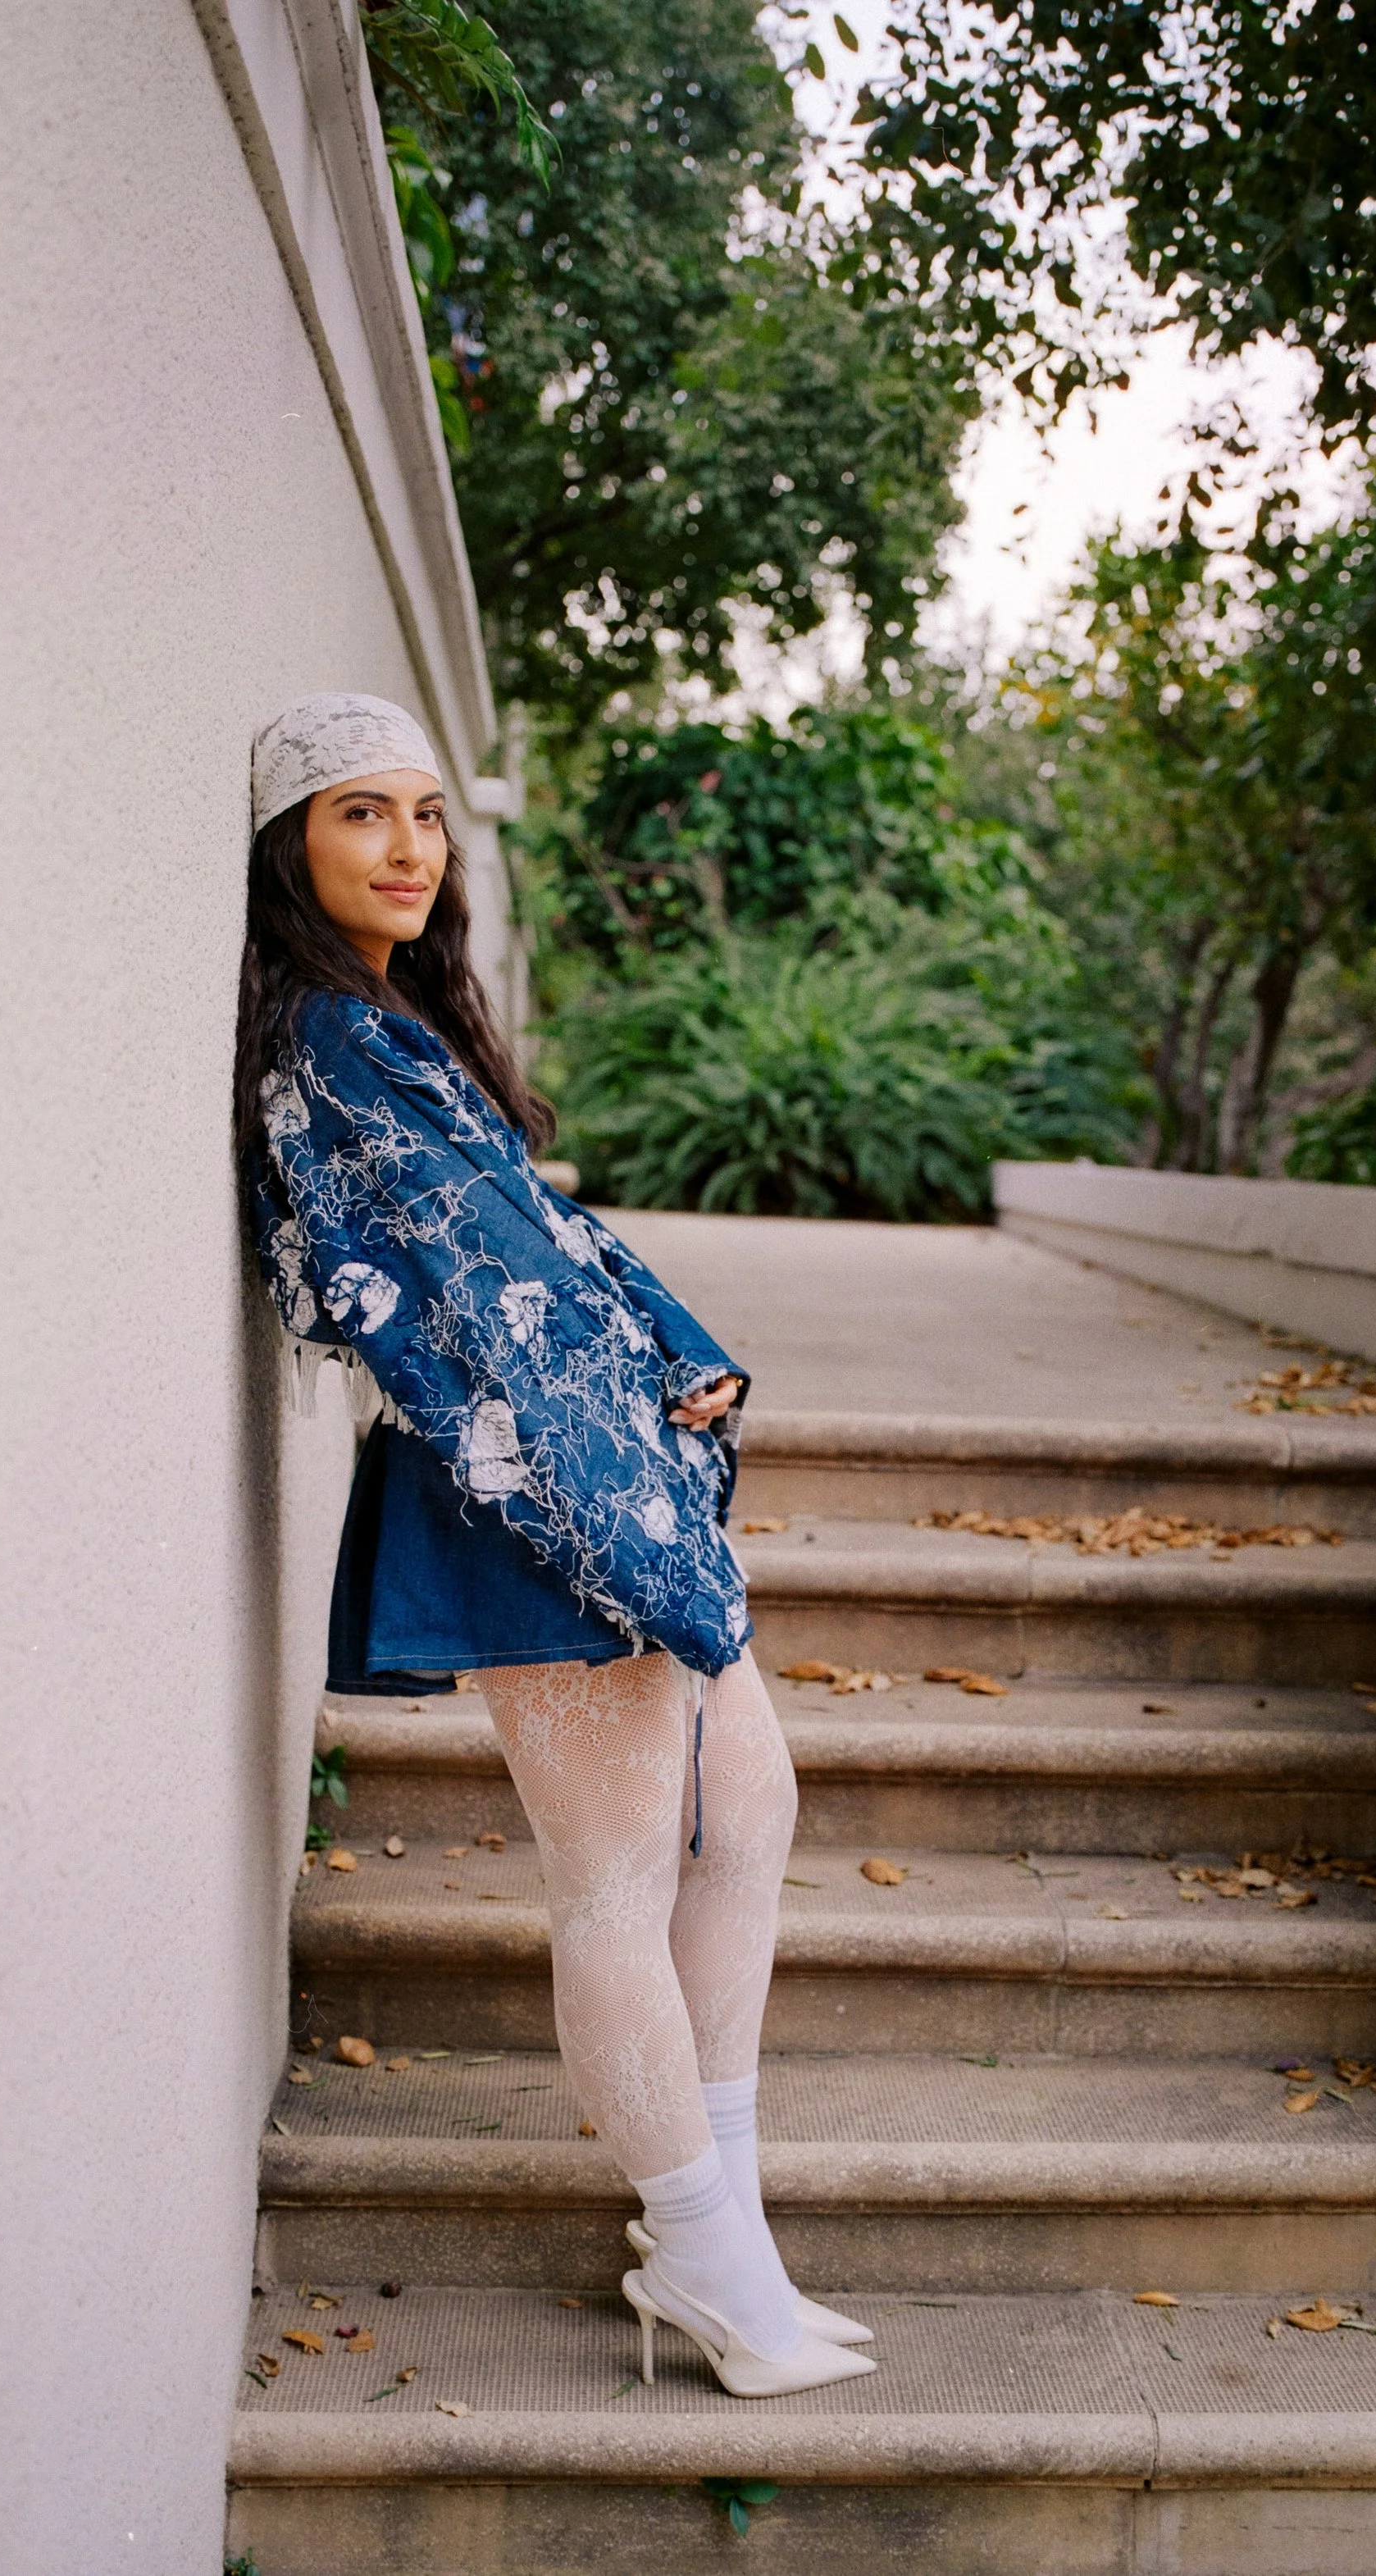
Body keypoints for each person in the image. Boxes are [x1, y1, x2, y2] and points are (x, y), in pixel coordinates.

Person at [235, 694, 873, 2400]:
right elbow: (467, 1308)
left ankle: (713, 2232)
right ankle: (712, 2259)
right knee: (612, 1874)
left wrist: (673, 1345)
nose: (407, 849)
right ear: (285, 845)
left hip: (609, 1466)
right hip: (528, 1493)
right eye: (360, 813)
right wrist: (626, 1509)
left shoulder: (401, 1023)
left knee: (748, 1810)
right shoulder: (325, 1040)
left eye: (427, 816)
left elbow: (553, 1239)